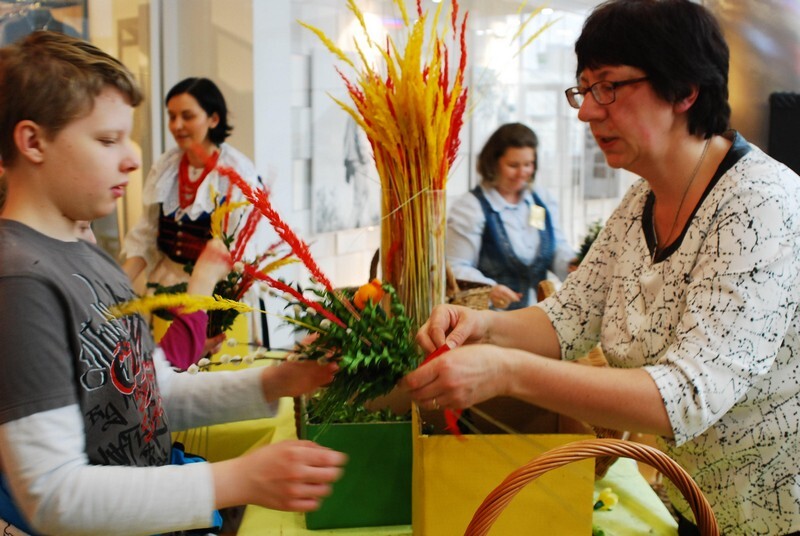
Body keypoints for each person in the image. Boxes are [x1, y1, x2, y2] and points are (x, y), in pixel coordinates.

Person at [402, 1, 800, 535]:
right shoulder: (642, 200)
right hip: (692, 500)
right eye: (584, 89)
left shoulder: (762, 204)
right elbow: (566, 319)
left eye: (608, 87)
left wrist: (506, 370)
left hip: (773, 513)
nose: (587, 111)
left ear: (685, 91)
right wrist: (485, 326)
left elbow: (686, 395)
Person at [0, 31, 346, 535]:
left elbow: (149, 393)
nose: (133, 159)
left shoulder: (93, 257)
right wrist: (232, 479)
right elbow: (53, 496)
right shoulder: (20, 283)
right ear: (33, 142)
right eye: (106, 140)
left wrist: (271, 382)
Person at [120, 76, 266, 299]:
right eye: (172, 116)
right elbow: (146, 235)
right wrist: (113, 288)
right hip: (165, 286)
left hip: (216, 295)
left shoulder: (237, 173)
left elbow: (240, 253)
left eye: (187, 116)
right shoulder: (165, 167)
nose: (176, 126)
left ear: (214, 119)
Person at [446, 123, 575, 310]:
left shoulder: (541, 200)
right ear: (492, 164)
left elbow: (556, 248)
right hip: (491, 320)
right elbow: (456, 266)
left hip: (539, 316)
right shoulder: (471, 208)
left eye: (528, 164)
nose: (522, 173)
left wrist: (571, 264)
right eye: (513, 165)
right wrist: (489, 289)